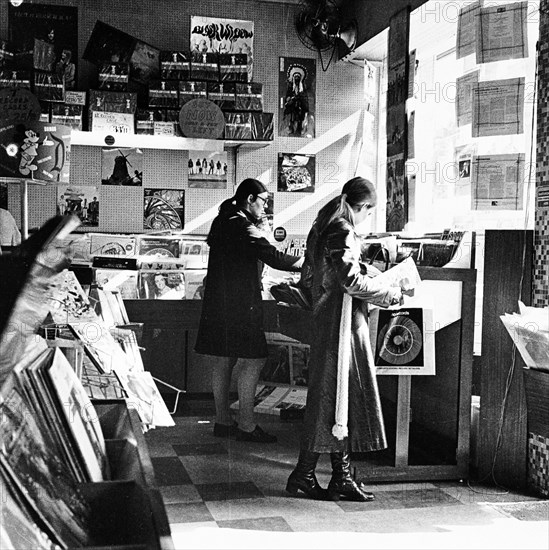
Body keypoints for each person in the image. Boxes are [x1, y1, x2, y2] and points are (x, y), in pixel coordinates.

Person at [286, 177, 408, 502]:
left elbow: (318, 275)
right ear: (362, 206)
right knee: (339, 396)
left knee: (333, 398)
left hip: (329, 321)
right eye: (368, 210)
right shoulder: (343, 229)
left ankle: (315, 474)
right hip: (342, 325)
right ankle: (320, 475)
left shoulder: (325, 225)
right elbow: (350, 281)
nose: (368, 217)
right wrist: (390, 292)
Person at [195, 178, 303, 443]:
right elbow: (274, 257)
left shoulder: (224, 220)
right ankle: (246, 424)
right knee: (254, 359)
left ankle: (223, 422)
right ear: (250, 199)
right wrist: (308, 263)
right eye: (264, 201)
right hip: (241, 304)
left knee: (224, 359)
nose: (265, 208)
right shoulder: (242, 226)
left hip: (219, 303)